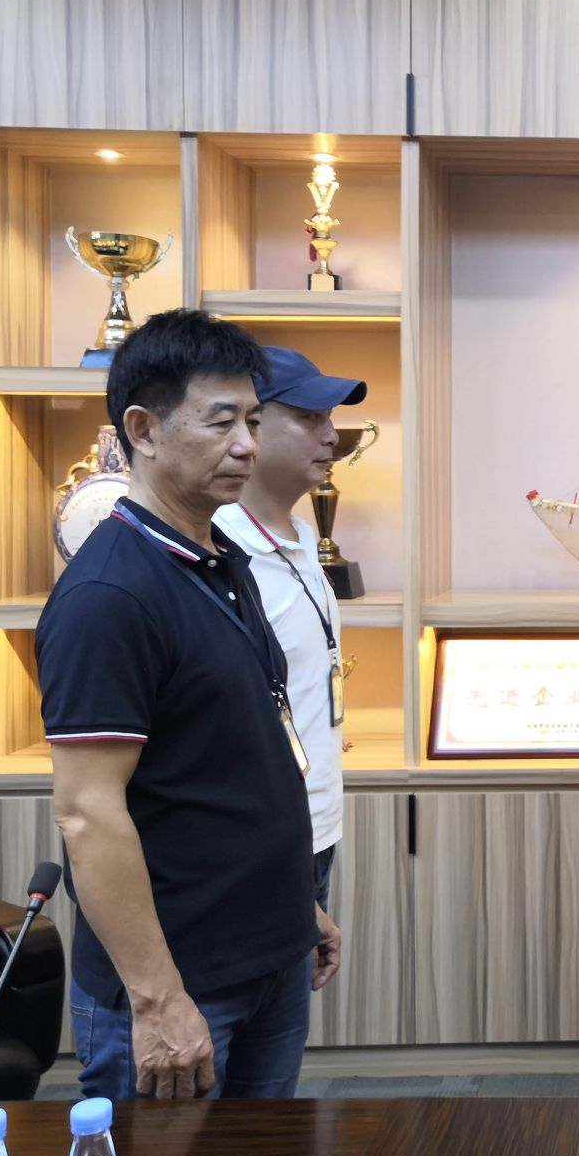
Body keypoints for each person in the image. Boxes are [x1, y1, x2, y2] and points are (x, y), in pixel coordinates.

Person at [38, 310, 341, 1101]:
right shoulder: (110, 595)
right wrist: (157, 999)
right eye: (221, 422)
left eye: (253, 421)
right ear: (143, 429)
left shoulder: (221, 558)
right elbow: (88, 813)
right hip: (182, 986)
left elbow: (245, 749)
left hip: (268, 955)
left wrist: (296, 908)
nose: (246, 445)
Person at [213, 347, 366, 913]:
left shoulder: (301, 535)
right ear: (250, 424)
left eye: (329, 418)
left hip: (315, 826)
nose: (332, 436)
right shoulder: (221, 551)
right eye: (308, 418)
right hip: (256, 845)